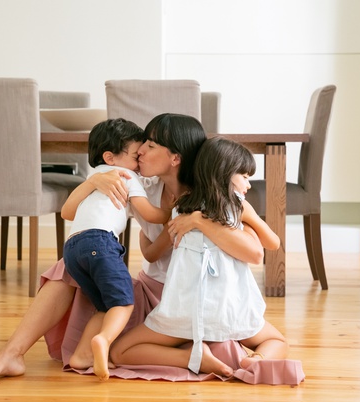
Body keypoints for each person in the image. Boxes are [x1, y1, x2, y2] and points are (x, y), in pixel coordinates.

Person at [0, 114, 282, 384]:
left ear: (175, 157)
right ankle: (11, 353)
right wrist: (94, 182)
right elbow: (143, 248)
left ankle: (188, 351)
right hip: (150, 296)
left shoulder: (215, 194)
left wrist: (197, 221)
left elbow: (256, 251)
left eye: (150, 145)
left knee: (257, 340)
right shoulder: (140, 187)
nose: (141, 150)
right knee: (69, 264)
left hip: (200, 297)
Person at [109, 137, 288, 376]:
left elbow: (151, 254)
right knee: (277, 341)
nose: (248, 184)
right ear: (226, 173)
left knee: (120, 351)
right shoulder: (238, 207)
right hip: (229, 311)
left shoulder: (179, 208)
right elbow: (272, 244)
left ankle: (190, 358)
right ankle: (256, 360)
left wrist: (145, 233)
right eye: (245, 176)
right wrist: (248, 223)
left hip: (181, 312)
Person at [61, 118, 171, 381]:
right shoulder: (125, 175)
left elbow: (66, 212)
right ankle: (104, 340)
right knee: (123, 302)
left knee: (105, 306)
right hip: (101, 243)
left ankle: (81, 356)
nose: (140, 160)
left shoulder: (95, 176)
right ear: (110, 157)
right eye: (135, 155)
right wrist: (174, 210)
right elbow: (150, 214)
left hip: (73, 249)